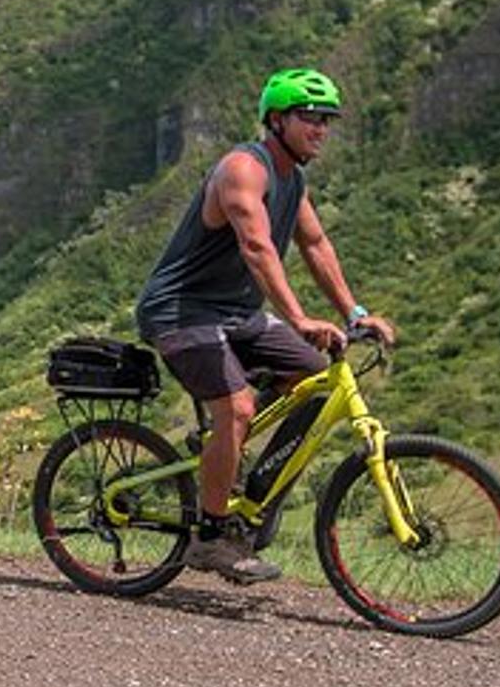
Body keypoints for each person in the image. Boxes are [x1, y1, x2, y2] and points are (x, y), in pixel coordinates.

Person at [134, 67, 396, 584]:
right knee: (237, 406)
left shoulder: (292, 180)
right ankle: (210, 538)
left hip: (239, 316)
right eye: (309, 118)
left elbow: (316, 245)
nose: (320, 129)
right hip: (182, 310)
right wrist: (299, 318)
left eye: (327, 120)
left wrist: (354, 314)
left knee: (317, 385)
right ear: (276, 120)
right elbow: (256, 245)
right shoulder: (242, 169)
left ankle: (253, 499)